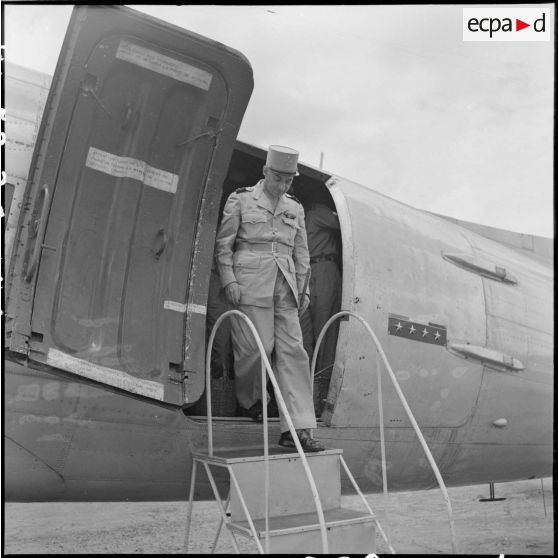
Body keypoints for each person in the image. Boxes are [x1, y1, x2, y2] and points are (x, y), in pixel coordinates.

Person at [214, 145, 325, 452]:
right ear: (265, 172)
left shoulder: (295, 207)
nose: (283, 186)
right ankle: (250, 401)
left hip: (286, 286)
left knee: (294, 353)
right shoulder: (241, 198)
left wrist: (303, 288)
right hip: (250, 281)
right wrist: (229, 280)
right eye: (278, 179)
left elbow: (302, 252)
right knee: (257, 348)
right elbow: (225, 244)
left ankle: (297, 428)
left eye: (289, 181)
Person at [299, 201, 342, 413]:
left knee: (324, 330)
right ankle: (303, 386)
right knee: (303, 332)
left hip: (323, 268)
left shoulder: (316, 212)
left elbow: (341, 221)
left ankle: (320, 387)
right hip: (304, 271)